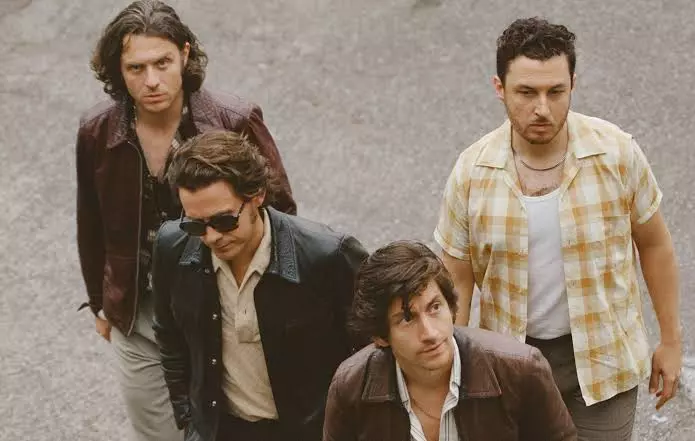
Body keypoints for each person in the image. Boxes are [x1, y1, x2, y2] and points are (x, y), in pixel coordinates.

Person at [433, 17, 682, 440]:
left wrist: (671, 341)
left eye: (555, 91)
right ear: (499, 88)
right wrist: (447, 370)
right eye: (526, 92)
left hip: (603, 364)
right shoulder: (471, 173)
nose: (542, 109)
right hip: (509, 366)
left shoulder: (616, 154)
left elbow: (655, 244)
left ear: (573, 85)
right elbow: (456, 279)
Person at [75, 1, 295, 439]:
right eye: (136, 68)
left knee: (226, 423)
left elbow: (280, 213)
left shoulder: (233, 121)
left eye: (163, 63)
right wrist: (100, 302)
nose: (152, 81)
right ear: (118, 70)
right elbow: (92, 222)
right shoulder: (97, 132)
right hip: (139, 311)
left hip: (221, 303)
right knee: (156, 431)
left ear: (185, 55)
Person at [152, 131, 368, 441]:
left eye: (224, 221)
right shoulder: (172, 247)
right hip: (221, 430)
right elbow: (169, 335)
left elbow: (373, 350)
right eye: (195, 224)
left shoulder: (327, 256)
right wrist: (188, 415)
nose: (211, 237)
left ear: (257, 195)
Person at [323, 240, 576, 441]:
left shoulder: (521, 371)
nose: (430, 333)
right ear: (380, 336)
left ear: (450, 304)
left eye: (434, 307)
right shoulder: (351, 387)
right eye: (407, 319)